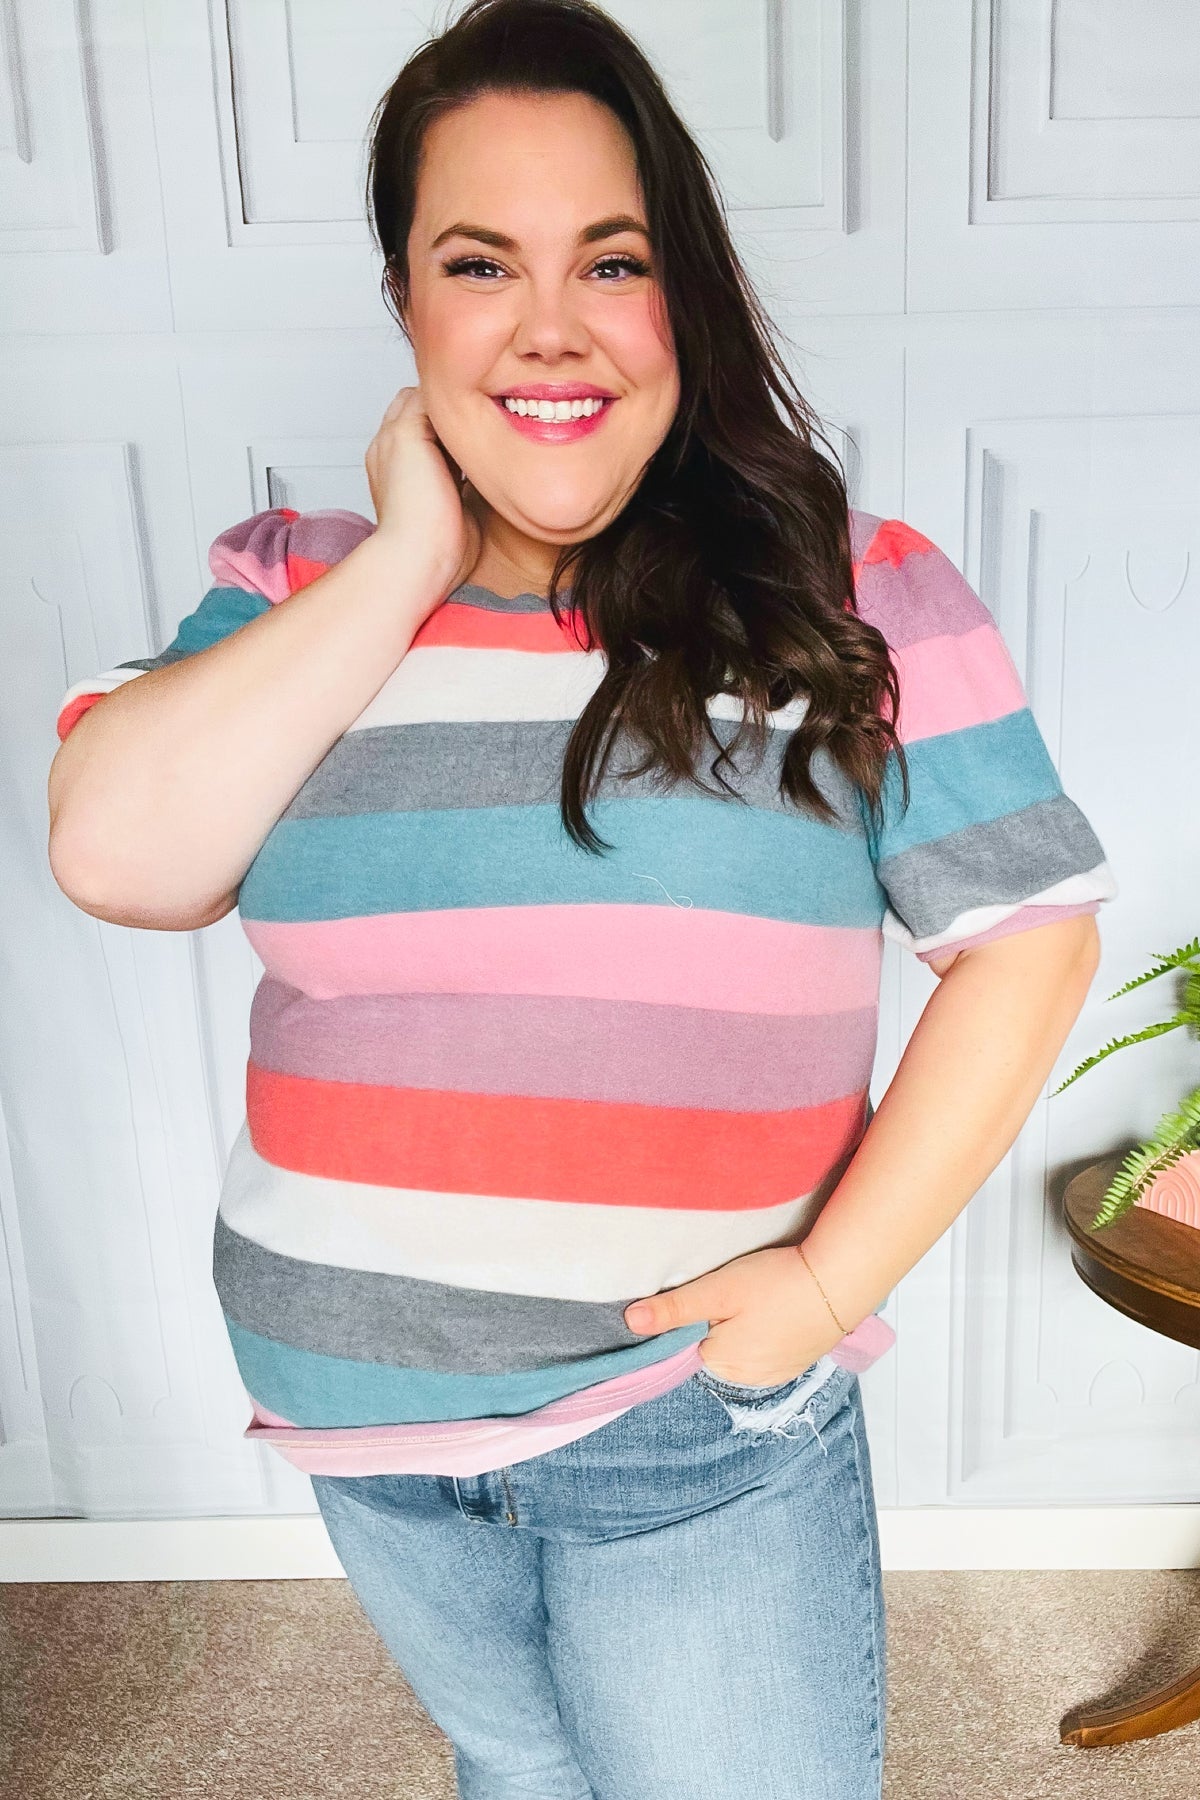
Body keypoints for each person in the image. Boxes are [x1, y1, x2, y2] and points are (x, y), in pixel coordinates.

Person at [46, 2, 1117, 1794]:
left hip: (680, 1415)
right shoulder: (294, 593)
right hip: (355, 1415)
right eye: (480, 264)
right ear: (406, 305)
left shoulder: (851, 595)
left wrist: (824, 1286)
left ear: (681, 291)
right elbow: (120, 860)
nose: (550, 325)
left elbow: (1029, 937)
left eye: (610, 262)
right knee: (519, 1772)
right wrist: (407, 554)